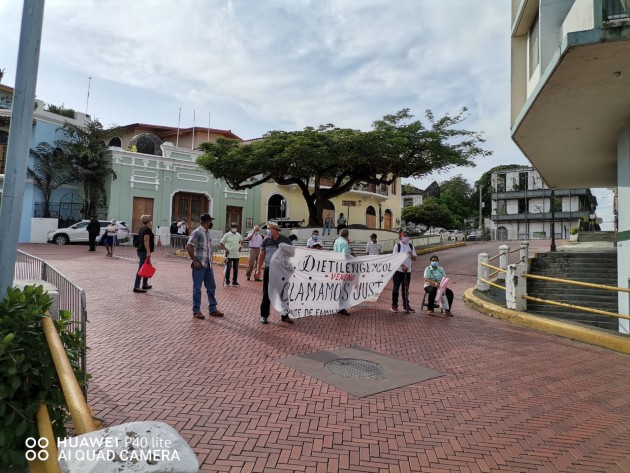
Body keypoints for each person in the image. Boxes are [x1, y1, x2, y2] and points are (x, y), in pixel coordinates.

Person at [186, 213, 224, 319]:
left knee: (211, 287)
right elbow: (189, 247)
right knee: (197, 288)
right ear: (207, 222)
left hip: (208, 265)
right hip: (199, 265)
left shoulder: (207, 233)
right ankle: (196, 310)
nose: (211, 223)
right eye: (210, 221)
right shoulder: (197, 232)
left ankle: (213, 309)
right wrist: (194, 261)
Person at [257, 221, 293, 325]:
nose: (268, 230)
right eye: (267, 228)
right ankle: (264, 316)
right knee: (266, 293)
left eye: (270, 228)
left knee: (283, 292)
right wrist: (258, 269)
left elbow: (292, 253)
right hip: (269, 270)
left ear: (275, 229)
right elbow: (261, 255)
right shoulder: (266, 241)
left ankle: (284, 315)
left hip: (282, 271)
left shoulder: (285, 240)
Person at [391, 231, 417, 313]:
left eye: (408, 236)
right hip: (398, 271)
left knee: (405, 289)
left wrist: (411, 255)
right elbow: (395, 258)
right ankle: (394, 305)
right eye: (405, 236)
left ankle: (406, 305)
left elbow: (415, 258)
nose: (406, 237)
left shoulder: (411, 246)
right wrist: (403, 266)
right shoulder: (398, 246)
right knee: (396, 289)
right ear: (401, 237)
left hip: (408, 271)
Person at [333, 228, 353, 315]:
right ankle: (342, 307)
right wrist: (352, 257)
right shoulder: (345, 243)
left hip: (337, 266)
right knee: (344, 288)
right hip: (344, 267)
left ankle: (338, 306)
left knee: (339, 287)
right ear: (347, 235)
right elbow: (345, 256)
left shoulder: (336, 241)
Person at [133, 215, 154, 293]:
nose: (151, 221)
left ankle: (145, 284)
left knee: (147, 266)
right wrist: (148, 252)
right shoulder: (147, 230)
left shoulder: (142, 228)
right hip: (144, 251)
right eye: (150, 220)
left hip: (141, 250)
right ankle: (136, 286)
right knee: (142, 268)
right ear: (148, 221)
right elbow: (146, 240)